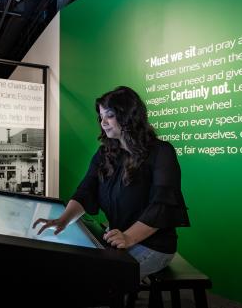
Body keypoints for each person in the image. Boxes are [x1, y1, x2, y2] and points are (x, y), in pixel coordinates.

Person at [33, 86, 188, 281]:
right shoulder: (104, 153)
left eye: (110, 115)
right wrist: (64, 219)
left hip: (153, 246)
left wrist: (129, 237)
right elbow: (86, 190)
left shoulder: (162, 152)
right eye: (100, 117)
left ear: (129, 116)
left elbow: (162, 206)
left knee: (98, 280)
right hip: (117, 239)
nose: (103, 122)